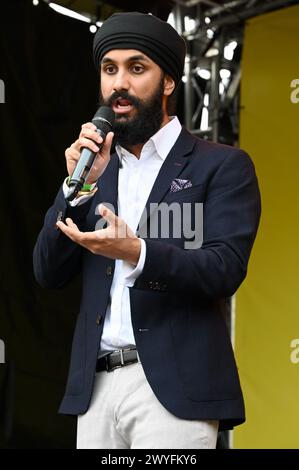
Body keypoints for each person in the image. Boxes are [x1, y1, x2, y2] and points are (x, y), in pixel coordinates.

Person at [33, 11, 261, 449]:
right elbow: (47, 271)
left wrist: (136, 251)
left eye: (137, 68)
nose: (120, 83)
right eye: (109, 69)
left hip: (171, 391)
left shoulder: (219, 166)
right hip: (95, 389)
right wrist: (74, 189)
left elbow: (223, 268)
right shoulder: (96, 171)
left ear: (169, 82)